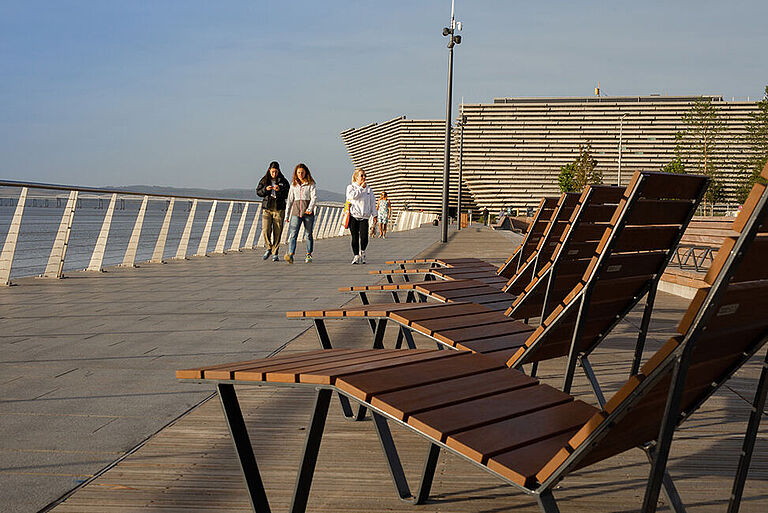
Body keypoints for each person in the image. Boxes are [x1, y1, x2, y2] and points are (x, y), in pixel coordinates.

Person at [256, 161, 290, 261]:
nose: (274, 174)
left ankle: (275, 252)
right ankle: (268, 247)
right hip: (267, 208)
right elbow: (258, 192)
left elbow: (288, 193)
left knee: (277, 231)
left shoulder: (283, 181)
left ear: (278, 171)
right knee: (265, 229)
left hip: (279, 209)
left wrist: (279, 190)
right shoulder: (264, 180)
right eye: (272, 171)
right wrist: (266, 189)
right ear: (269, 170)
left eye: (276, 172)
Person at [284, 163, 318, 264]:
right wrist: (287, 215)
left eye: (302, 172)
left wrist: (310, 208)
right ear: (296, 173)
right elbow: (290, 200)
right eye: (298, 172)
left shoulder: (311, 184)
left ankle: (309, 254)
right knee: (293, 234)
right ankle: (291, 254)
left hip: (308, 213)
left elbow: (314, 197)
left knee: (308, 234)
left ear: (306, 172)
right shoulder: (293, 185)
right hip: (296, 212)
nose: (300, 174)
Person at [346, 168, 376, 264]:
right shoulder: (351, 187)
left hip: (364, 216)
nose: (363, 177)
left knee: (364, 237)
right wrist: (360, 188)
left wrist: (375, 214)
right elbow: (351, 196)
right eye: (361, 175)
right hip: (353, 216)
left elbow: (372, 203)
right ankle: (356, 256)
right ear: (356, 177)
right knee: (354, 237)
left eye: (364, 175)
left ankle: (362, 251)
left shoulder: (369, 189)